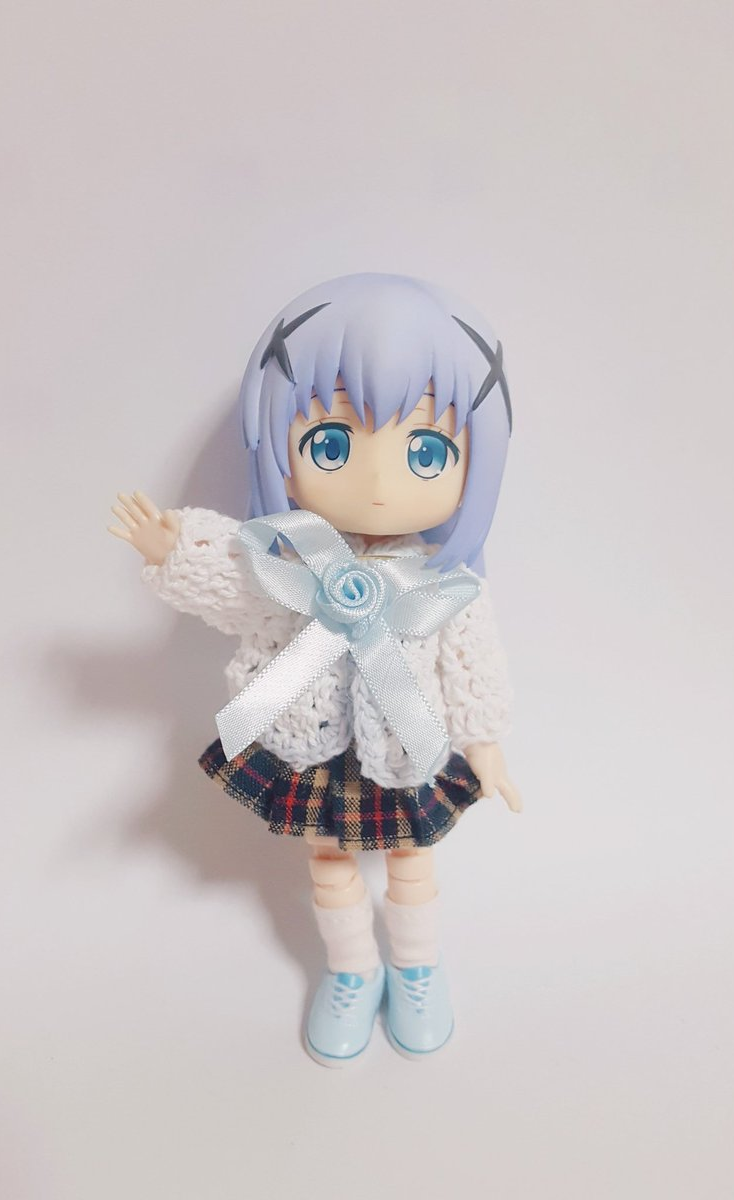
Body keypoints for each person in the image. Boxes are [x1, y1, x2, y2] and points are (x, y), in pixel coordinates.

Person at [109, 272, 520, 1065]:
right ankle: (351, 970)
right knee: (327, 860)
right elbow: (236, 584)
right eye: (332, 445)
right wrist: (174, 549)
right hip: (312, 742)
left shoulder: (441, 584)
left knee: (411, 857)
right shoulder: (292, 559)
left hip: (408, 744)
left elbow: (472, 657)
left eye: (425, 451)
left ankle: (417, 967)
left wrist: (486, 740)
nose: (377, 484)